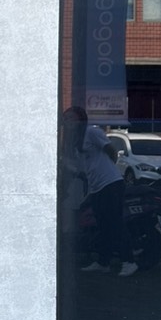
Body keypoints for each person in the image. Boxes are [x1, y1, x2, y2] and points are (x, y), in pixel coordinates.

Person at [61, 107, 137, 277]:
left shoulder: (91, 132)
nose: (69, 122)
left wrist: (107, 169)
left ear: (81, 119)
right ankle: (103, 262)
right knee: (102, 225)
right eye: (66, 119)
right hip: (96, 187)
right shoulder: (73, 140)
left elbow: (111, 151)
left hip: (110, 183)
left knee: (114, 223)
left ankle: (129, 261)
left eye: (72, 118)